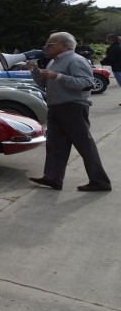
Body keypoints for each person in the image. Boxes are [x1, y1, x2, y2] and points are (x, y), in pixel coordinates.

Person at [27, 32, 111, 192]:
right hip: (56, 107)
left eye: (50, 44)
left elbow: (87, 83)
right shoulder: (54, 61)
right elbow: (45, 83)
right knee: (54, 144)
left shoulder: (75, 60)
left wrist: (57, 76)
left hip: (72, 107)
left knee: (84, 145)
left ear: (64, 45)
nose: (46, 47)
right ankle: (52, 178)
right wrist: (35, 71)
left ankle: (100, 181)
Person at [100, 34, 121, 102]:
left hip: (117, 68)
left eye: (107, 39)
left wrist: (103, 61)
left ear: (111, 40)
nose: (106, 40)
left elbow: (110, 59)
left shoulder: (112, 48)